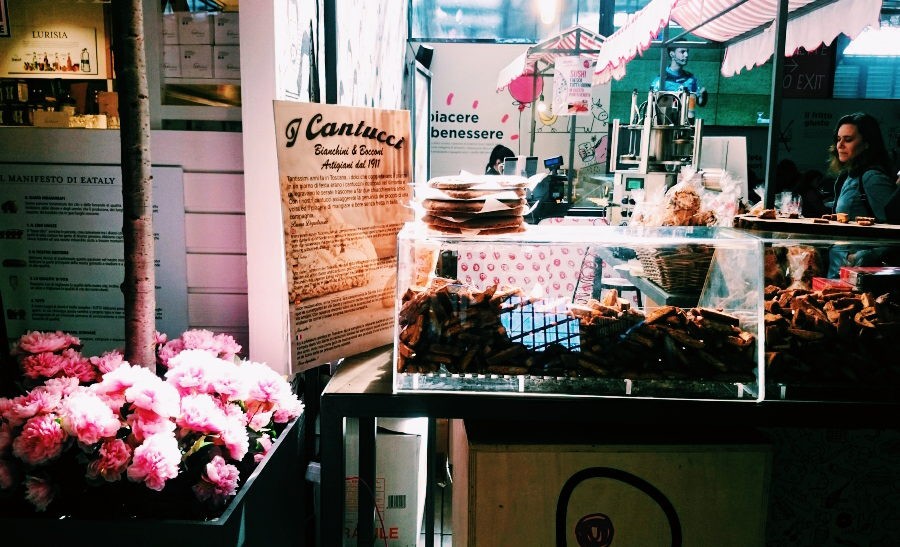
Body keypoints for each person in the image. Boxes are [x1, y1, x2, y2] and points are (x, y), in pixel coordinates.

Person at [826, 112, 897, 276]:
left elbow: (894, 231)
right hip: (840, 275)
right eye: (838, 139)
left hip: (859, 278)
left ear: (866, 144)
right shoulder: (847, 175)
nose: (840, 145)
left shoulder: (872, 178)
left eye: (848, 139)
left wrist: (861, 257)